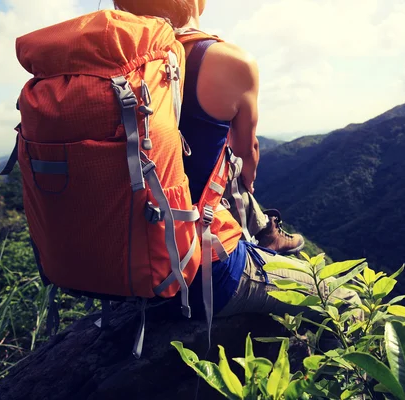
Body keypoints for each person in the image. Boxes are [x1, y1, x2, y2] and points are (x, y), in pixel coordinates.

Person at [112, 0, 360, 320]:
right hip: (201, 272)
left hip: (118, 266)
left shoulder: (110, 66)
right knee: (350, 303)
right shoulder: (227, 60)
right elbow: (247, 156)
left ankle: (264, 233)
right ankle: (264, 237)